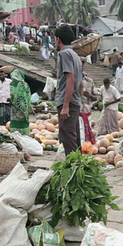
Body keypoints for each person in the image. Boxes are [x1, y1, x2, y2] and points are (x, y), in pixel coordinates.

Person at [54, 24, 83, 156]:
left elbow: (70, 78)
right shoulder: (75, 55)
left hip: (68, 102)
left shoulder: (64, 53)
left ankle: (73, 168)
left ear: (58, 39)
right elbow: (81, 83)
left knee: (67, 137)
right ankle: (78, 167)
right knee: (74, 137)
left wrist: (66, 105)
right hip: (75, 101)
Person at [9, 69, 31, 135]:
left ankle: (17, 135)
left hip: (18, 106)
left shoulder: (22, 85)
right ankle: (21, 134)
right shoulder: (24, 85)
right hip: (20, 107)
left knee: (18, 119)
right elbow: (28, 96)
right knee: (17, 119)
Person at [79, 64, 97, 145]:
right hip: (77, 110)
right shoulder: (73, 80)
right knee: (80, 130)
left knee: (86, 129)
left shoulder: (90, 81)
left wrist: (89, 95)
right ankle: (81, 146)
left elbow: (96, 97)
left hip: (87, 110)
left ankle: (86, 146)